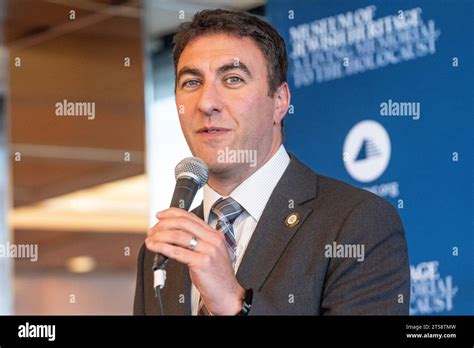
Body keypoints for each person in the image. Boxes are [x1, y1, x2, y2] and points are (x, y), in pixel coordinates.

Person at [134, 9, 410, 315]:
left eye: (233, 79)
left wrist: (233, 302)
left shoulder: (357, 223)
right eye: (190, 83)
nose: (206, 103)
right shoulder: (160, 252)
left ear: (279, 101)